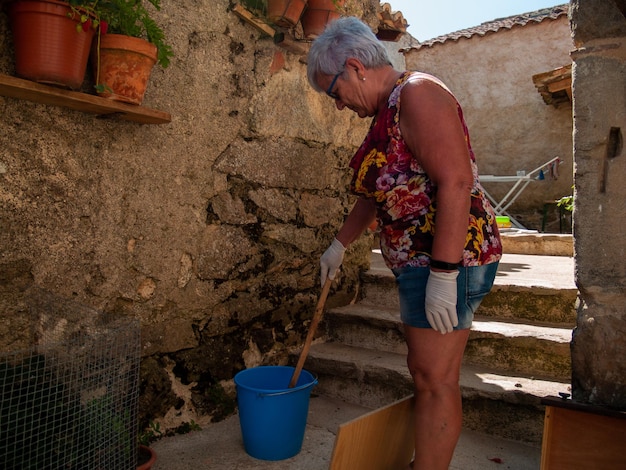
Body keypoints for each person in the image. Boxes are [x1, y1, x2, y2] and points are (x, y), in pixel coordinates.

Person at [307, 17, 503, 470]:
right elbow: (381, 191)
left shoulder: (417, 93)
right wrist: (339, 244)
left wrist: (444, 274)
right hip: (425, 262)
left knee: (434, 379)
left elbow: (454, 181)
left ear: (355, 67)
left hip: (445, 259)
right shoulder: (388, 111)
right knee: (429, 374)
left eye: (333, 92)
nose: (337, 106)